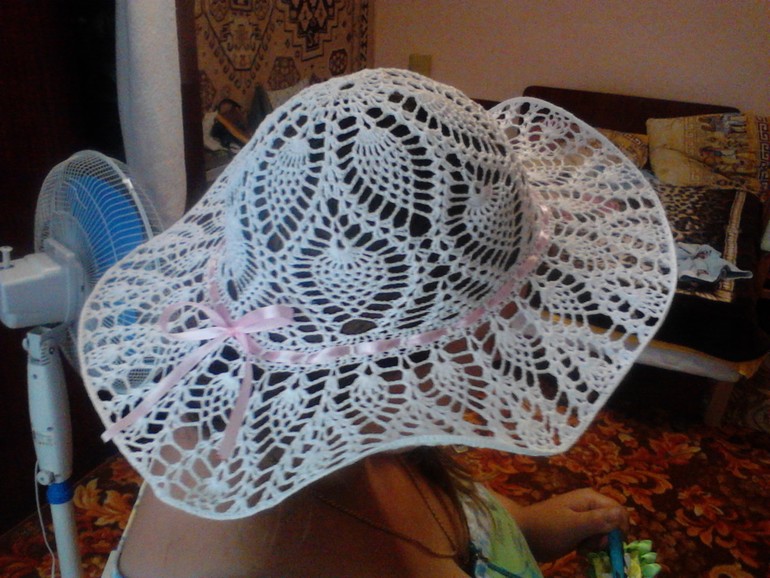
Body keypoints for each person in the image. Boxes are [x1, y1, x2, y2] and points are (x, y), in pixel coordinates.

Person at [79, 68, 676, 577]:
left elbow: (436, 510)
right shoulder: (273, 548)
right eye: (509, 310)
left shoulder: (345, 427)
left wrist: (523, 527)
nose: (515, 337)